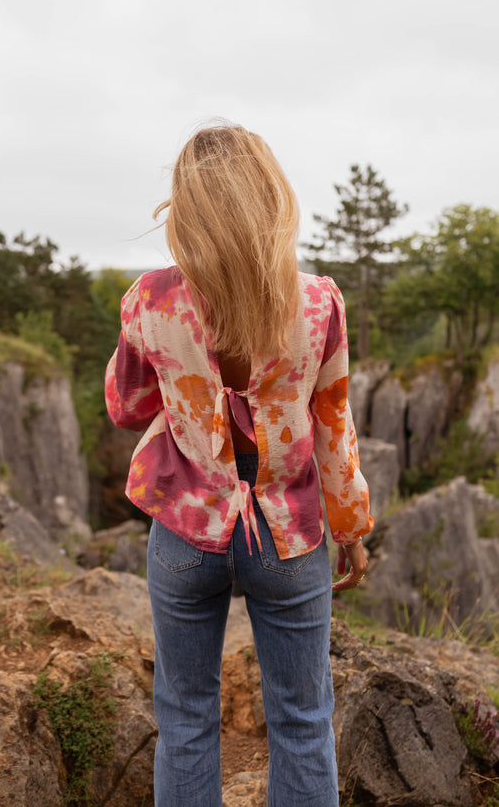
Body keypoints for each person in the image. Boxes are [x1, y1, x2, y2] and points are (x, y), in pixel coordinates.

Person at [105, 123, 373, 807]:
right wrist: (349, 528)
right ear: (271, 200)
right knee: (303, 720)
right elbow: (332, 426)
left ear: (185, 208)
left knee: (186, 720)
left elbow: (127, 406)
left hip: (187, 534)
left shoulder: (151, 299)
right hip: (287, 532)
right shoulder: (317, 301)